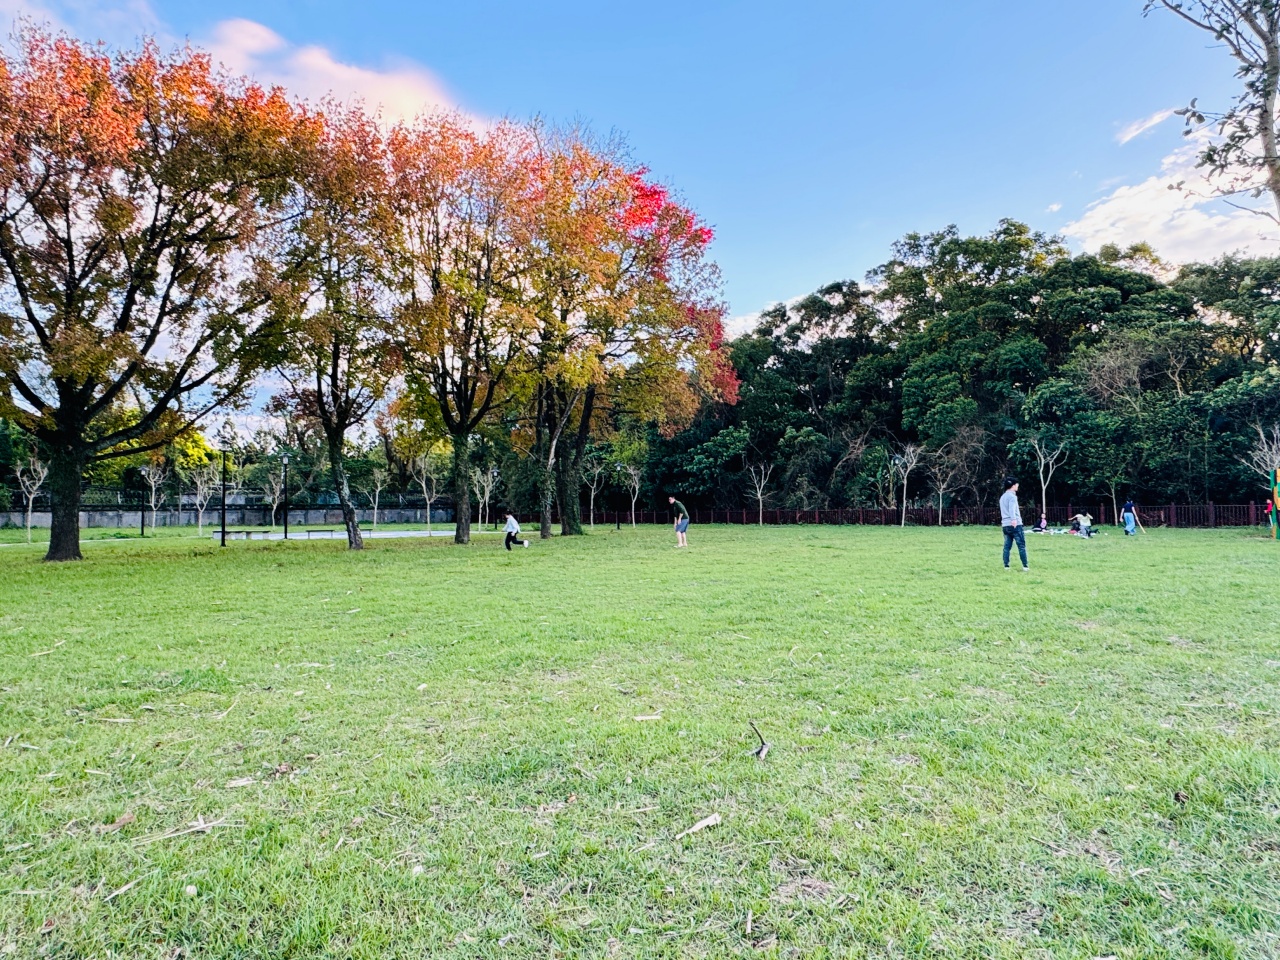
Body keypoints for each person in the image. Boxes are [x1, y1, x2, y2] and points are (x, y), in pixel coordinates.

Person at [999, 477, 1028, 571]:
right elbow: (1012, 509)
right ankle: (1025, 566)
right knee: (1021, 545)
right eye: (1016, 484)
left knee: (1007, 546)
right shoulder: (1012, 496)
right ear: (1013, 486)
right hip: (1015, 524)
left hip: (1005, 524)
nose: (1017, 486)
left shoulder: (1002, 497)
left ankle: (1006, 566)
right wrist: (1014, 519)